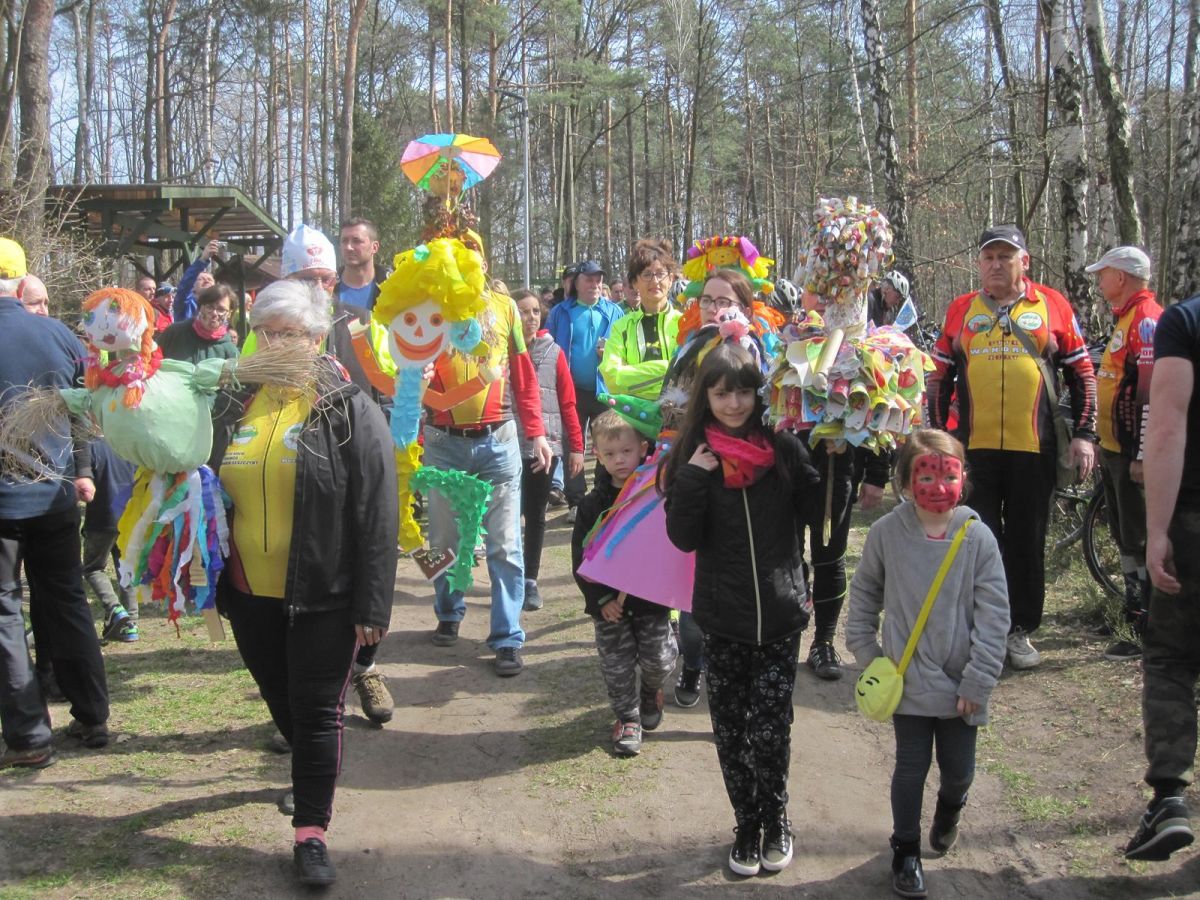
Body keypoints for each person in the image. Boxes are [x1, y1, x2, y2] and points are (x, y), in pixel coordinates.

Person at [209, 280, 399, 886]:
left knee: (317, 713)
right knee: (282, 698)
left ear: (318, 339)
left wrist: (373, 604)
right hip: (249, 593)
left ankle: (310, 833)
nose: (279, 344)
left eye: (292, 333)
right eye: (268, 333)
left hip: (325, 592)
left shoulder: (348, 407)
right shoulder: (234, 404)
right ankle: (311, 772)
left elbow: (378, 510)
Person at [661, 341, 820, 877]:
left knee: (771, 729)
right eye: (722, 393)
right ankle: (747, 824)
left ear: (759, 393)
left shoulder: (782, 447)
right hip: (722, 618)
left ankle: (776, 819)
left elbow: (817, 512)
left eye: (744, 392)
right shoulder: (693, 457)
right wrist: (692, 478)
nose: (734, 404)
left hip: (780, 613)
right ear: (706, 397)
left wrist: (828, 455)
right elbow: (682, 538)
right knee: (730, 731)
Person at [846, 429, 1009, 898]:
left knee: (959, 770)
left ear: (963, 477)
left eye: (948, 476)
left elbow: (995, 615)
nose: (938, 486)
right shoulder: (886, 534)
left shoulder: (978, 538)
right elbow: (864, 594)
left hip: (961, 686)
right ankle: (906, 850)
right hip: (908, 682)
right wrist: (869, 655)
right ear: (904, 482)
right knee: (910, 768)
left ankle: (950, 809)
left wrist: (978, 680)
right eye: (926, 477)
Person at [926, 224, 1097, 670]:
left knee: (1026, 541)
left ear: (1025, 261)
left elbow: (1082, 373)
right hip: (974, 450)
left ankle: (1019, 630)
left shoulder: (1052, 305)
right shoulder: (961, 309)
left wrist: (1085, 434)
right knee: (977, 540)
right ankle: (982, 628)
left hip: (1033, 448)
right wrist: (940, 438)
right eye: (989, 257)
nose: (996, 264)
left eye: (1005, 256)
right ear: (979, 264)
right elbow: (939, 378)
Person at [402, 242, 552, 676]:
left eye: (472, 254)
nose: (464, 263)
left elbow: (523, 375)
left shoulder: (505, 308)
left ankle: (507, 637)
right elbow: (406, 374)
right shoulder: (426, 310)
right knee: (444, 541)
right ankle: (448, 611)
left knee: (505, 543)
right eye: (455, 256)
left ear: (484, 263)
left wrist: (537, 432)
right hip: (443, 442)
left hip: (498, 442)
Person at [0, 237, 111, 768]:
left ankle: (28, 736)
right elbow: (83, 412)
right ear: (23, 283)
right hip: (54, 495)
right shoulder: (59, 335)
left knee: (5, 610)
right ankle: (92, 714)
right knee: (67, 599)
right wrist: (80, 471)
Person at [1121, 290, 1200, 862]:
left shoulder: (1186, 321)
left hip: (1193, 521)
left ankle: (1170, 798)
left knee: (1171, 657)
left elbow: (1167, 427)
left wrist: (1157, 531)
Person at [573, 410, 677, 756]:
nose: (619, 460)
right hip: (610, 610)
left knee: (659, 660)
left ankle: (650, 691)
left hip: (650, 600)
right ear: (598, 455)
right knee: (616, 668)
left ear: (643, 448)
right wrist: (602, 599)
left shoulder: (657, 496)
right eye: (610, 453)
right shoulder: (592, 505)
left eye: (626, 451)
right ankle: (628, 718)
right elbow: (581, 558)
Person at [1086, 246, 1162, 661]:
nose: (1099, 282)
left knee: (1140, 536)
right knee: (1124, 536)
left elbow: (1150, 394)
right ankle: (1131, 610)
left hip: (1134, 454)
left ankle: (1148, 623)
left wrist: (1143, 454)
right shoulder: (1124, 318)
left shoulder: (1146, 320)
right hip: (1115, 449)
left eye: (1104, 274)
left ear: (1122, 276)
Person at [514, 289, 584, 612]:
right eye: (522, 311)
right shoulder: (501, 351)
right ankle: (511, 577)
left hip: (545, 448)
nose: (530, 317)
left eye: (534, 311)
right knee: (507, 517)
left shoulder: (554, 352)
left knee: (536, 514)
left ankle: (530, 579)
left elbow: (568, 403)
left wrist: (576, 448)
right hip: (507, 445)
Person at [545, 260, 623, 519]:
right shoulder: (560, 312)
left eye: (598, 279)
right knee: (572, 446)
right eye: (589, 279)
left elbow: (625, 348)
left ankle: (603, 495)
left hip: (604, 391)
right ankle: (576, 502)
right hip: (571, 391)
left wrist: (611, 354)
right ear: (576, 283)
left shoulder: (614, 312)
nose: (595, 284)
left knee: (608, 442)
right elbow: (549, 348)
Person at [599, 239, 682, 401]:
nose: (655, 281)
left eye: (660, 274)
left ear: (671, 279)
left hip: (680, 412)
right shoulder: (621, 327)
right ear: (635, 282)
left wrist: (632, 375)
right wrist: (669, 368)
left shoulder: (685, 324)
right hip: (633, 413)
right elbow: (612, 379)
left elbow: (692, 375)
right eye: (647, 274)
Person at [82, 438, 138, 642]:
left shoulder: (90, 447)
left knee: (92, 568)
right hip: (129, 518)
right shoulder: (128, 445)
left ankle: (115, 608)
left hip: (101, 520)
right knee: (126, 569)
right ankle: (131, 624)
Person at [156, 284, 240, 365]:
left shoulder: (230, 352)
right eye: (209, 307)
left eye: (221, 310)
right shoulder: (174, 333)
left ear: (229, 314)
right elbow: (152, 361)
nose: (214, 313)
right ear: (200, 307)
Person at [335, 218, 389, 311]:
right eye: (344, 241)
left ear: (374, 247)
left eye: (356, 241)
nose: (349, 247)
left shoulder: (391, 285)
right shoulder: (328, 286)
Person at [173, 239, 223, 322]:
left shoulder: (220, 306)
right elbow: (185, 285)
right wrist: (203, 258)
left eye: (210, 279)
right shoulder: (185, 304)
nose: (206, 281)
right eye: (201, 279)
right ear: (193, 287)